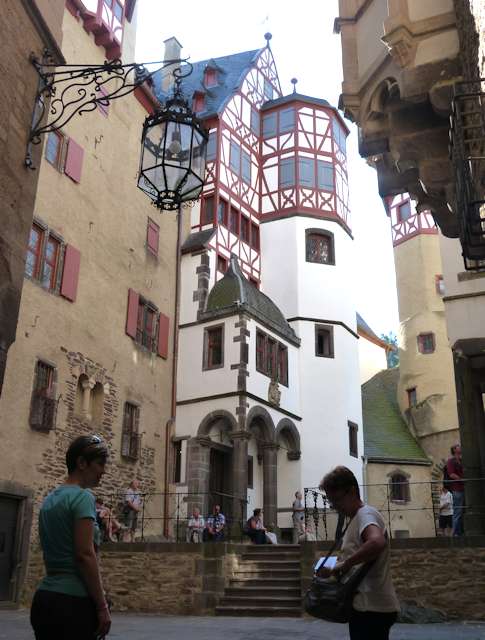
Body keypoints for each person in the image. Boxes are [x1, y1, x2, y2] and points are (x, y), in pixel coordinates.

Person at [30, 434, 111, 640]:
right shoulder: (83, 497)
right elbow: (84, 555)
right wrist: (102, 606)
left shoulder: (49, 500)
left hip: (44, 600)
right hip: (73, 604)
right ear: (82, 463)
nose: (104, 470)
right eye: (100, 464)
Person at [318, 466, 400, 640]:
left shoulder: (365, 514)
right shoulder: (357, 517)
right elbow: (359, 554)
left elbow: (377, 542)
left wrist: (343, 564)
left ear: (352, 491)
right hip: (368, 607)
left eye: (337, 500)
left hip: (371, 608)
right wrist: (335, 566)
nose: (335, 506)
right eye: (331, 502)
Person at [446, 444, 465, 536]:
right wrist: (462, 479)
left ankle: (460, 531)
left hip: (464, 488)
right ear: (454, 450)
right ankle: (454, 533)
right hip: (457, 488)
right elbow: (451, 474)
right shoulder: (451, 461)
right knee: (458, 510)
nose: (460, 447)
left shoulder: (461, 460)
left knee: (462, 510)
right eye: (458, 446)